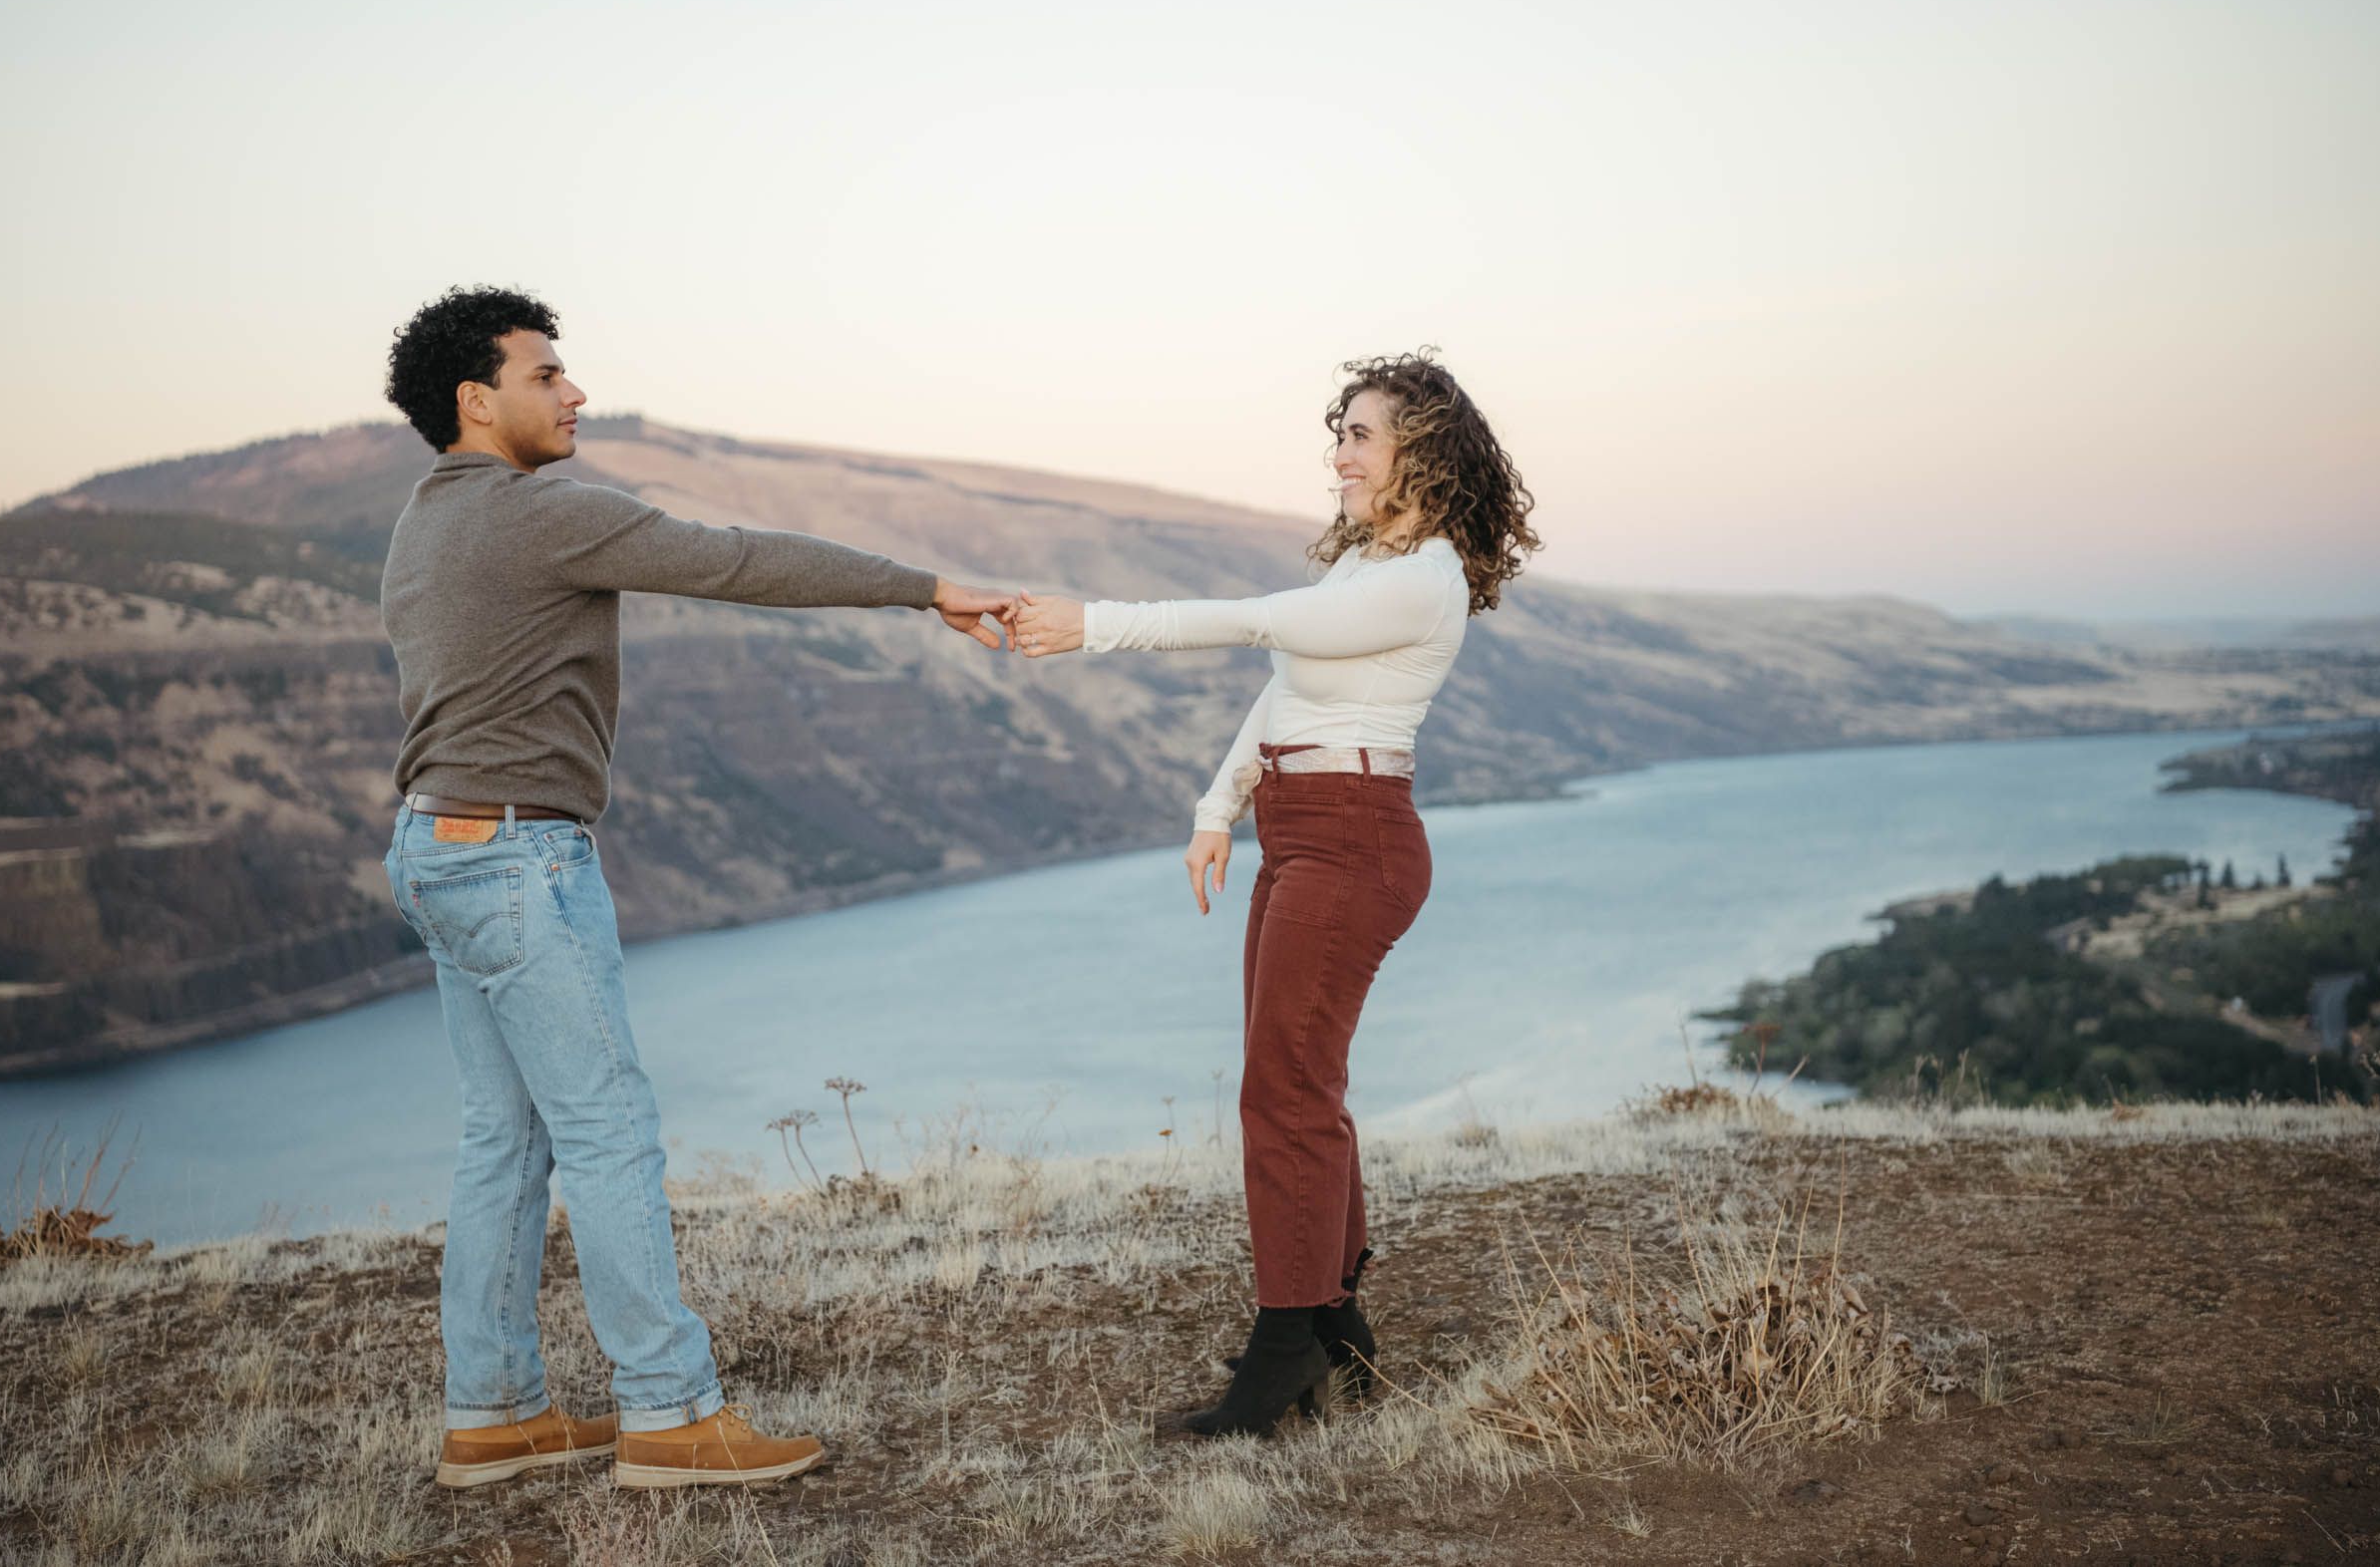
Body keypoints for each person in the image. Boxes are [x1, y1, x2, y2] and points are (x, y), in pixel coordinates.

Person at [377, 285, 1016, 1488]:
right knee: (607, 1129)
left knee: (500, 1139)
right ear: (478, 399)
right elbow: (735, 561)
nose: (575, 393)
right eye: (547, 375)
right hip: (520, 857)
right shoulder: (537, 513)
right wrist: (926, 586)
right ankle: (670, 1413)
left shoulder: (421, 521)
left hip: (435, 850)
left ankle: (495, 1411)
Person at [1008, 350, 1538, 1438]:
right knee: (1301, 1087)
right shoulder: (1358, 567)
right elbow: (1283, 687)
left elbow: (1259, 624)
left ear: (1420, 454)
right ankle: (1336, 1329)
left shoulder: (1421, 576)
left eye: (1361, 434)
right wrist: (1220, 808)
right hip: (1306, 832)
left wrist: (1092, 623)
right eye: (1337, 431)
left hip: (1355, 841)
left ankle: (1284, 1343)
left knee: (1279, 1095)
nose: (1339, 452)